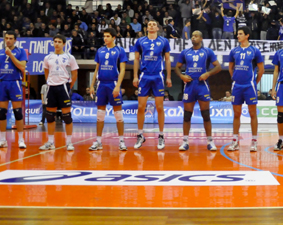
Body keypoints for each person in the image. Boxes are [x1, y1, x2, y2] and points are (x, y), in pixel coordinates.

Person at [175, 31, 222, 151]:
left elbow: (218, 67)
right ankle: (185, 141)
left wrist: (208, 74)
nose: (193, 37)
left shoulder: (207, 52)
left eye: (196, 36)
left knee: (206, 114)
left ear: (201, 38)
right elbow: (177, 67)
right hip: (189, 85)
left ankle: (210, 141)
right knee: (187, 115)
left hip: (202, 85)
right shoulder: (185, 52)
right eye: (192, 36)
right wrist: (182, 76)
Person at [132, 20, 172, 150]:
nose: (151, 26)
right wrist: (135, 76)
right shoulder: (140, 41)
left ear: (157, 28)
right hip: (144, 76)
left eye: (154, 24)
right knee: (141, 107)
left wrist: (169, 77)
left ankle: (161, 136)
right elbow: (136, 59)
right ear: (146, 28)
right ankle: (140, 135)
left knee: (159, 107)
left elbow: (167, 60)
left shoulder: (164, 41)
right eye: (149, 24)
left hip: (158, 76)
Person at [89, 28, 128, 151]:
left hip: (113, 83)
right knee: (100, 115)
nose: (105, 38)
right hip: (101, 84)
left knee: (118, 115)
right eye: (104, 36)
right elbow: (96, 69)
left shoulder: (120, 50)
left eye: (107, 36)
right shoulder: (100, 50)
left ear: (113, 38)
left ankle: (121, 141)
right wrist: (92, 85)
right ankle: (98, 141)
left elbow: (122, 70)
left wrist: (118, 86)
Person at [227, 26, 265, 152]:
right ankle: (235, 141)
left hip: (249, 86)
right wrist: (235, 78)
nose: (238, 36)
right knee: (236, 114)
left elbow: (261, 69)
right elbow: (230, 67)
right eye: (238, 34)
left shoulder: (254, 51)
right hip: (237, 86)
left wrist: (254, 82)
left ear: (247, 35)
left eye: (240, 34)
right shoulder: (234, 51)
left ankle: (254, 141)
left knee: (252, 113)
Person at [39, 35, 79, 151]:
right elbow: (46, 72)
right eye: (55, 41)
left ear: (64, 44)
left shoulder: (70, 57)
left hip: (63, 87)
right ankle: (50, 142)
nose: (57, 43)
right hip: (51, 88)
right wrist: (50, 82)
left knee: (67, 117)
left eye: (59, 42)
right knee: (50, 116)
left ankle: (69, 142)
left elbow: (74, 74)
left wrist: (68, 86)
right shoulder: (48, 57)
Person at [0, 30, 28, 149]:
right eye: (6, 38)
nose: (8, 40)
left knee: (18, 112)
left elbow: (22, 67)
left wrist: (11, 55)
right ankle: (2, 140)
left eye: (11, 38)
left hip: (15, 83)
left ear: (15, 40)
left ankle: (21, 140)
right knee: (2, 112)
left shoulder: (20, 51)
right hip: (2, 83)